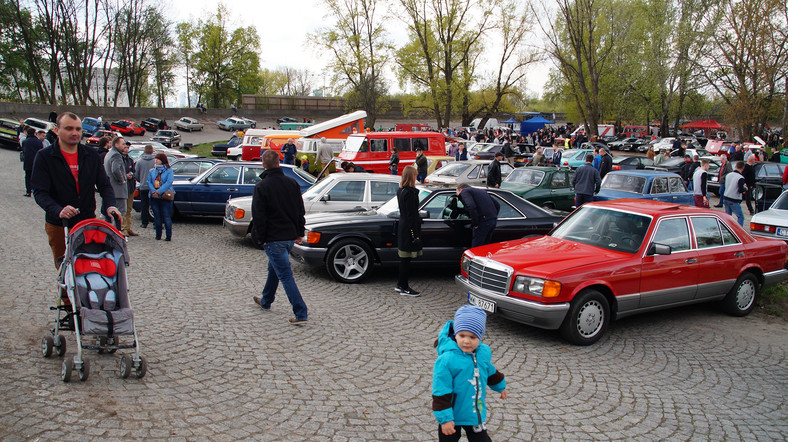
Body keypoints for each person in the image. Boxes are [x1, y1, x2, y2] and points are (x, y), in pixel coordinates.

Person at [31, 112, 120, 268]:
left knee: (89, 269)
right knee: (66, 272)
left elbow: (104, 185)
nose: (75, 133)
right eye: (69, 128)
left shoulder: (91, 155)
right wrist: (58, 210)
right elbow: (39, 192)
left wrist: (110, 205)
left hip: (87, 221)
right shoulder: (45, 156)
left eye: (78, 129)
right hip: (59, 224)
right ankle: (65, 293)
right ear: (57, 130)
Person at [432, 305, 507, 442]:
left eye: (472, 337)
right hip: (452, 414)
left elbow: (489, 371)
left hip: (474, 412)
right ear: (455, 334)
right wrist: (445, 419)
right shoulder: (447, 360)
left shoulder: (482, 354)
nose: (466, 341)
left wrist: (501, 386)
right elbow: (440, 391)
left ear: (480, 337)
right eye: (462, 336)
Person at [251, 149, 309, 325]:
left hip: (273, 238)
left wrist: (261, 238)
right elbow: (300, 210)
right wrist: (300, 232)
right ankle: (266, 300)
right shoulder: (292, 183)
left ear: (263, 165)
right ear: (278, 163)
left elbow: (258, 216)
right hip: (289, 236)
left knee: (285, 275)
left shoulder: (261, 187)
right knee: (274, 269)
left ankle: (301, 312)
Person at [396, 166, 422, 297]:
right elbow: (413, 214)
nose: (416, 177)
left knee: (403, 259)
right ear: (411, 176)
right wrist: (416, 234)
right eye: (415, 175)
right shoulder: (411, 193)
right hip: (409, 227)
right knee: (406, 259)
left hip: (403, 225)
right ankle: (404, 287)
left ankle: (401, 283)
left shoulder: (401, 190)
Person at [457, 183, 499, 248]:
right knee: (484, 248)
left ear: (460, 189)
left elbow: (471, 206)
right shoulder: (482, 191)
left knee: (476, 249)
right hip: (492, 221)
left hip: (483, 222)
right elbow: (497, 205)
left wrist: (475, 223)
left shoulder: (465, 191)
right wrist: (493, 217)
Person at [147, 153, 175, 240]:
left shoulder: (169, 171)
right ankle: (158, 234)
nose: (156, 161)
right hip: (154, 196)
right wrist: (153, 191)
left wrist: (159, 191)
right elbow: (149, 181)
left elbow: (169, 182)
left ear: (162, 160)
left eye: (157, 159)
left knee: (166, 216)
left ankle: (168, 235)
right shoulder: (152, 171)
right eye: (155, 159)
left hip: (165, 196)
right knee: (157, 216)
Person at [104, 136, 129, 226]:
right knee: (120, 213)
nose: (124, 146)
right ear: (116, 144)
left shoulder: (109, 153)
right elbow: (115, 169)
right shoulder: (116, 154)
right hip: (118, 189)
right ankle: (116, 234)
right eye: (122, 144)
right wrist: (121, 179)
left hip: (111, 187)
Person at [134, 145, 156, 229]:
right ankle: (155, 223)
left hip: (143, 185)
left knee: (144, 205)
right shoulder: (155, 161)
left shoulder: (139, 161)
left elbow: (136, 174)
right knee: (154, 205)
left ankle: (144, 222)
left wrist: (141, 180)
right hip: (154, 187)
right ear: (152, 151)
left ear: (144, 151)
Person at [120, 144, 138, 236]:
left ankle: (128, 227)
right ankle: (123, 228)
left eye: (128, 148)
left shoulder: (130, 160)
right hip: (122, 188)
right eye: (125, 147)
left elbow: (135, 172)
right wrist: (125, 176)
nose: (126, 149)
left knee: (129, 209)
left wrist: (132, 175)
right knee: (123, 209)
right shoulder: (119, 159)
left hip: (130, 187)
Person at [723, 161, 747, 226]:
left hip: (726, 197)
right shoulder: (740, 178)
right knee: (740, 216)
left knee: (728, 216)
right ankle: (739, 230)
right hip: (733, 199)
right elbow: (740, 190)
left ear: (735, 166)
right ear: (743, 168)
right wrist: (745, 189)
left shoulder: (728, 175)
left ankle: (727, 228)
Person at [21, 127, 43, 197]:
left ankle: (28, 191)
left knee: (27, 176)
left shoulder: (25, 142)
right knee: (35, 177)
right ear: (34, 133)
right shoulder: (39, 142)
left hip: (27, 161)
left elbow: (24, 150)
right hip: (36, 161)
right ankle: (35, 190)